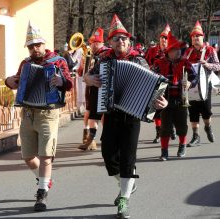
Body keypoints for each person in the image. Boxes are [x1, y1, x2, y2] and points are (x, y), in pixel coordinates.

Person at [84, 14, 168, 219]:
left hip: (132, 116)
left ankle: (124, 198)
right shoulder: (104, 59)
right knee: (108, 157)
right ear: (110, 42)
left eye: (124, 39)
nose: (121, 41)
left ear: (129, 41)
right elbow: (88, 76)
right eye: (116, 39)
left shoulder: (138, 60)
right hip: (111, 114)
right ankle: (128, 184)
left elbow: (153, 87)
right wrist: (89, 79)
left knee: (128, 160)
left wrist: (161, 103)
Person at [5, 21, 73, 212]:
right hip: (27, 113)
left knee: (45, 156)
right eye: (31, 46)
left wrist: (61, 81)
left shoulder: (58, 61)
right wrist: (9, 81)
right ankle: (45, 180)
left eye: (37, 45)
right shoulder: (26, 64)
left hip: (48, 113)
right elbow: (17, 81)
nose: (35, 49)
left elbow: (68, 83)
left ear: (44, 44)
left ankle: (41, 193)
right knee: (27, 156)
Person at [152, 32, 198, 161]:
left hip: (181, 98)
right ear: (168, 51)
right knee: (165, 126)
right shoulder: (159, 63)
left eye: (179, 49)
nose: (178, 52)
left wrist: (190, 83)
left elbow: (195, 77)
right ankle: (164, 151)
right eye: (175, 50)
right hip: (164, 99)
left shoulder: (185, 62)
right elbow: (151, 77)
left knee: (182, 125)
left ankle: (182, 145)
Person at [183, 21, 220, 147]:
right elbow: (182, 67)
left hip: (205, 86)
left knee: (206, 111)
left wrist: (207, 64)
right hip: (191, 86)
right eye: (193, 37)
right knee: (192, 111)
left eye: (197, 36)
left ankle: (208, 127)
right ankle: (195, 136)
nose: (195, 39)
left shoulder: (210, 50)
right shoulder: (188, 52)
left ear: (202, 37)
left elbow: (218, 66)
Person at [78, 27, 109, 151]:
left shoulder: (107, 54)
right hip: (91, 90)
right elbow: (81, 73)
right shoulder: (89, 55)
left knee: (104, 115)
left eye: (96, 43)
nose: (93, 45)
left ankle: (106, 138)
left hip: (104, 89)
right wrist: (83, 65)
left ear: (102, 43)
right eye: (92, 43)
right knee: (92, 114)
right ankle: (90, 140)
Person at [145, 24, 176, 143]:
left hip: (170, 83)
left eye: (166, 38)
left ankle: (171, 127)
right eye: (162, 37)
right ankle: (158, 132)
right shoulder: (152, 51)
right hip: (155, 83)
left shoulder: (173, 51)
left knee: (170, 108)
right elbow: (145, 63)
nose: (163, 40)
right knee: (156, 109)